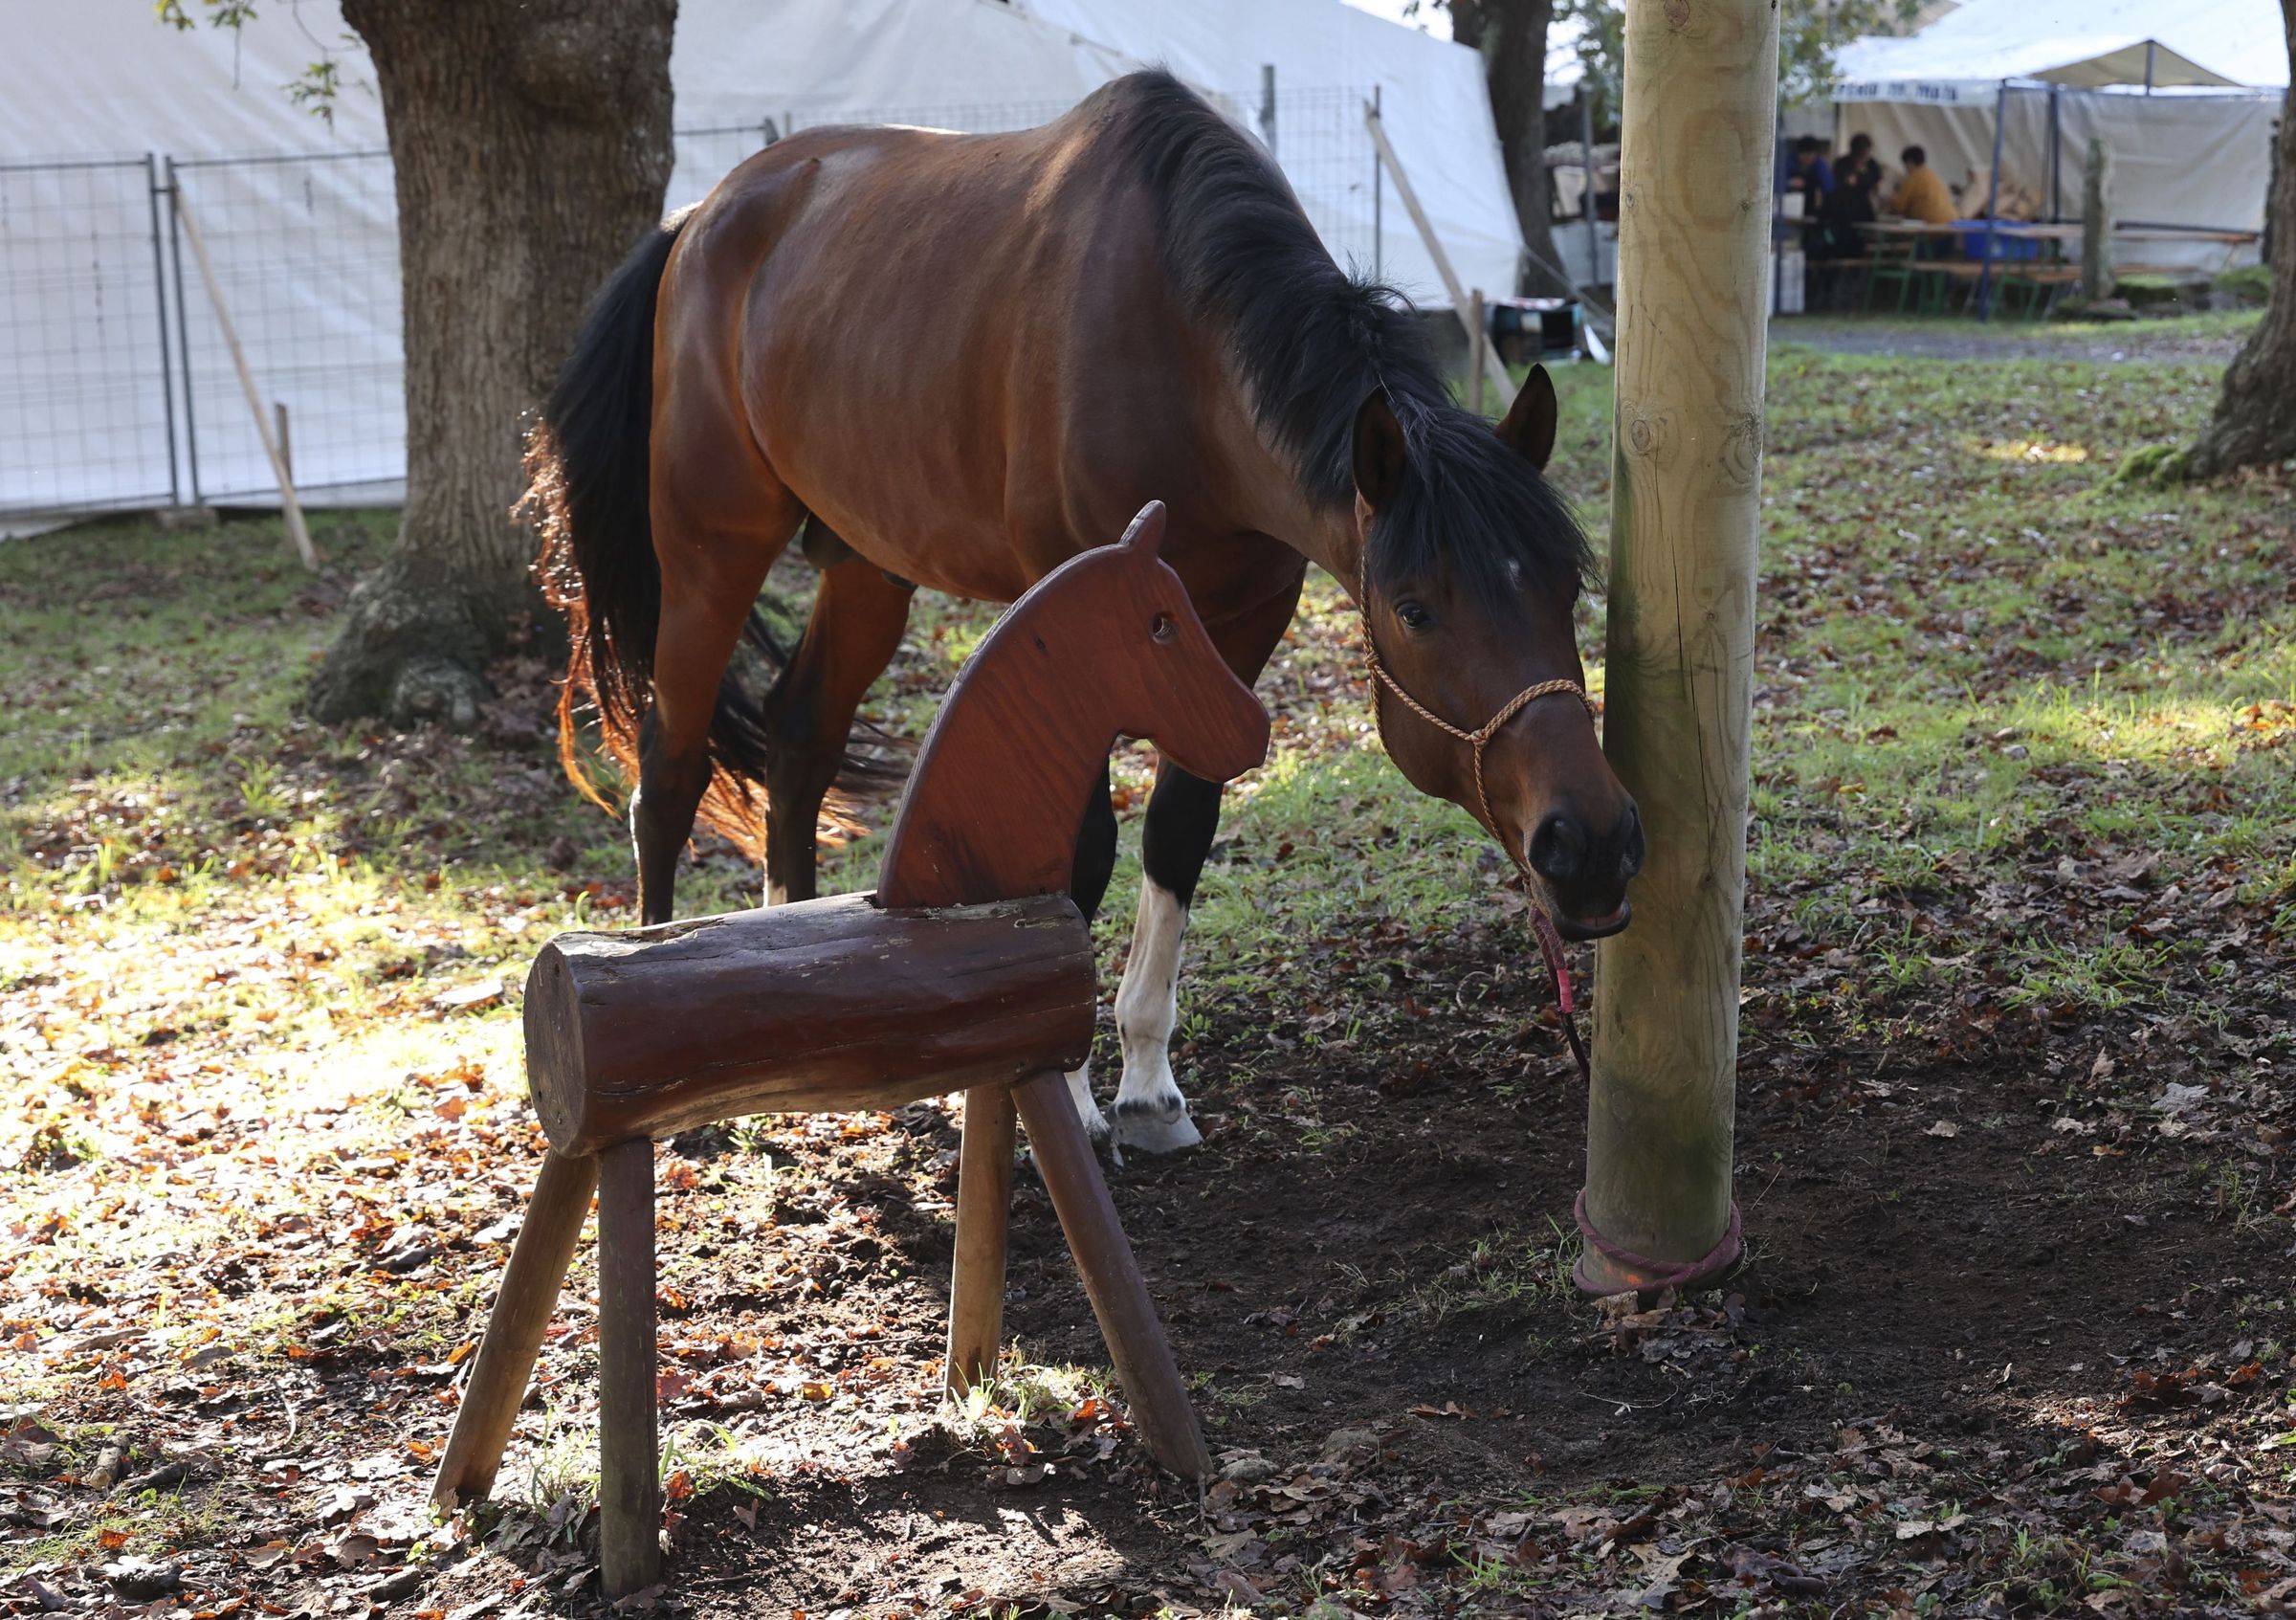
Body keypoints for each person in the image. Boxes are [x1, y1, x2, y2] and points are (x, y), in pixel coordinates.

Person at [1889, 144, 1955, 226]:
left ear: (1909, 162)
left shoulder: (1913, 177)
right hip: (1951, 222)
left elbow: (1899, 206)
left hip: (1932, 225)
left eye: (1905, 165)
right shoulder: (1933, 175)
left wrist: (1889, 197)